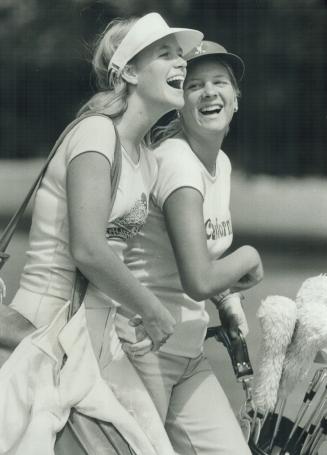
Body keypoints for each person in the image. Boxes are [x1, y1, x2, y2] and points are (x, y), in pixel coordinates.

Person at [1, 12, 203, 453]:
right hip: (42, 334)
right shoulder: (96, 134)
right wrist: (149, 308)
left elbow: (129, 258)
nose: (182, 63)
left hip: (96, 340)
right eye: (165, 54)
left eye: (182, 55)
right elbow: (89, 249)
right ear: (129, 71)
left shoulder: (146, 158)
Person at [116, 40, 264, 454]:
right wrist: (249, 257)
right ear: (179, 102)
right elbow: (198, 278)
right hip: (143, 351)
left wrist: (227, 302)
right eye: (195, 85)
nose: (209, 92)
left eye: (220, 82)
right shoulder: (177, 161)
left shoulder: (221, 164)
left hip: (187, 352)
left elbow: (200, 255)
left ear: (236, 99)